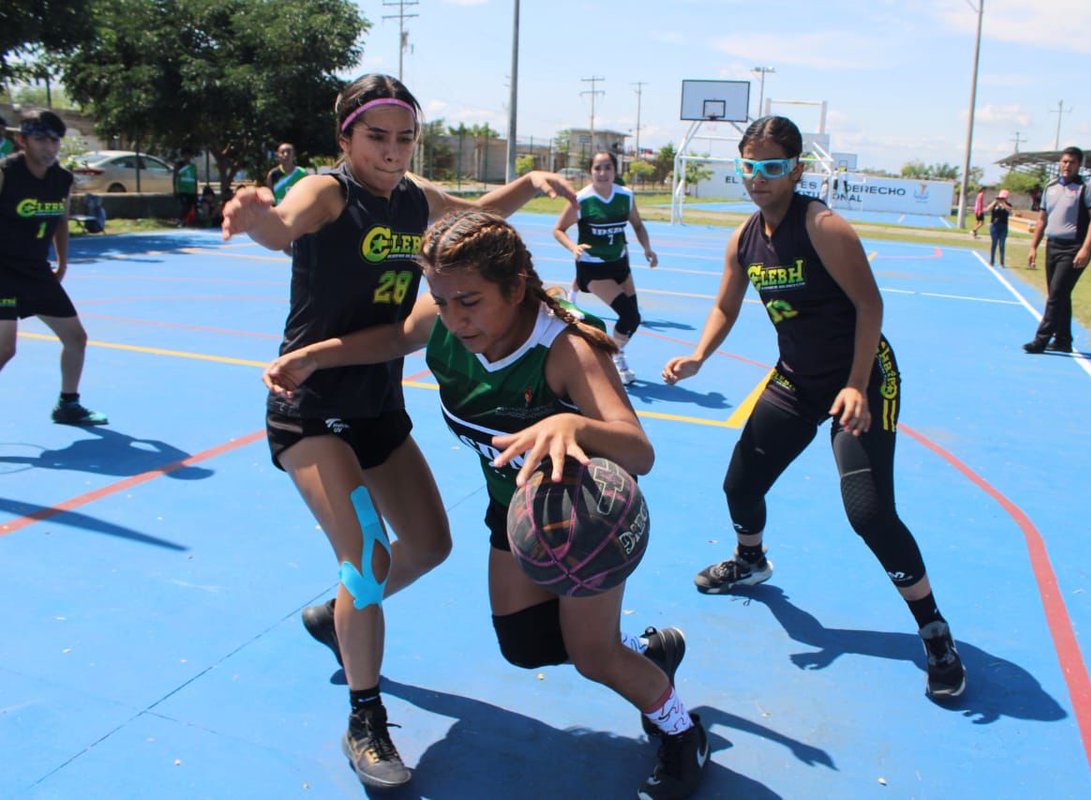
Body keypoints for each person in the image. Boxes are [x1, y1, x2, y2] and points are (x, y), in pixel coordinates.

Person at [263, 210, 708, 799]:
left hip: (586, 516)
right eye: (442, 302)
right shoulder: (448, 323)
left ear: (515, 287)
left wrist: (571, 423)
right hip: (518, 514)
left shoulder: (565, 347)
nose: (454, 317)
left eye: (469, 302)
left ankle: (680, 731)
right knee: (525, 646)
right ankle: (652, 652)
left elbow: (639, 450)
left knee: (592, 654)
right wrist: (318, 354)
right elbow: (396, 337)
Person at [220, 73, 580, 790]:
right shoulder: (330, 192)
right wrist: (256, 215)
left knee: (432, 545)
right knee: (369, 560)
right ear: (345, 138)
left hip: (376, 403)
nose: (391, 150)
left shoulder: (415, 198)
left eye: (404, 137)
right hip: (311, 404)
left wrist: (529, 184)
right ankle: (366, 716)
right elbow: (283, 225)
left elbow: (477, 212)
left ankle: (338, 616)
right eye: (377, 136)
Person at [660, 116, 966, 701]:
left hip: (862, 378)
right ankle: (750, 560)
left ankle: (934, 629)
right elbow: (725, 306)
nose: (759, 177)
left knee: (869, 513)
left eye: (773, 166)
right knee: (739, 484)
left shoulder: (822, 225)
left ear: (796, 169)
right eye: (749, 165)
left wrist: (854, 383)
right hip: (796, 381)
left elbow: (869, 305)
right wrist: (699, 354)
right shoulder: (744, 238)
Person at [0, 109, 108, 425]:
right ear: (22, 140)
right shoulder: (6, 173)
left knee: (76, 338)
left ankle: (68, 404)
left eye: (55, 140)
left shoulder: (62, 179)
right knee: (6, 349)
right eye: (40, 139)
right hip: (2, 270)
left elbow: (60, 221)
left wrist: (63, 262)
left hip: (35, 270)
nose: (49, 147)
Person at [553, 150, 658, 385]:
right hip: (594, 266)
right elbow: (558, 229)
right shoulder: (581, 200)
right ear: (590, 171)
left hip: (620, 263)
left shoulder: (625, 196)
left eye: (607, 167)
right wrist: (573, 247)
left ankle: (615, 354)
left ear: (615, 170)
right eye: (597, 168)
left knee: (634, 319)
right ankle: (614, 358)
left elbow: (638, 225)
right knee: (628, 315)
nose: (602, 173)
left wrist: (647, 249)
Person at [1023, 146, 1091, 354]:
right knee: (1059, 295)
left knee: (1056, 294)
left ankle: (1040, 340)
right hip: (1053, 245)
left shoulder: (1087, 187)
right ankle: (1063, 340)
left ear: (1079, 165)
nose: (1067, 166)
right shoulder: (1050, 187)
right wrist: (1033, 247)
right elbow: (1042, 220)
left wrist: (1085, 248)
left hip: (1074, 247)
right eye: (1064, 161)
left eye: (1072, 162)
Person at [986, 189, 1013, 267]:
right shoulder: (995, 204)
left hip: (1003, 226)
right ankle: (992, 261)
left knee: (1002, 244)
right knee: (994, 243)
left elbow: (1010, 211)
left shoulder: (1008, 205)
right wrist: (995, 202)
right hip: (994, 225)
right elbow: (987, 209)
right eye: (1000, 198)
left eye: (1003, 198)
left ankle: (1002, 262)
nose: (1001, 199)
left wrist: (1003, 203)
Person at [173, 150, 197, 226]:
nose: (188, 157)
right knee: (184, 205)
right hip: (182, 189)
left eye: (189, 155)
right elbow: (175, 177)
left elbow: (195, 178)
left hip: (191, 190)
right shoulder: (179, 165)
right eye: (186, 155)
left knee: (190, 206)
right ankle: (179, 220)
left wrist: (196, 190)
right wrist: (175, 189)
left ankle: (185, 221)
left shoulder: (193, 166)